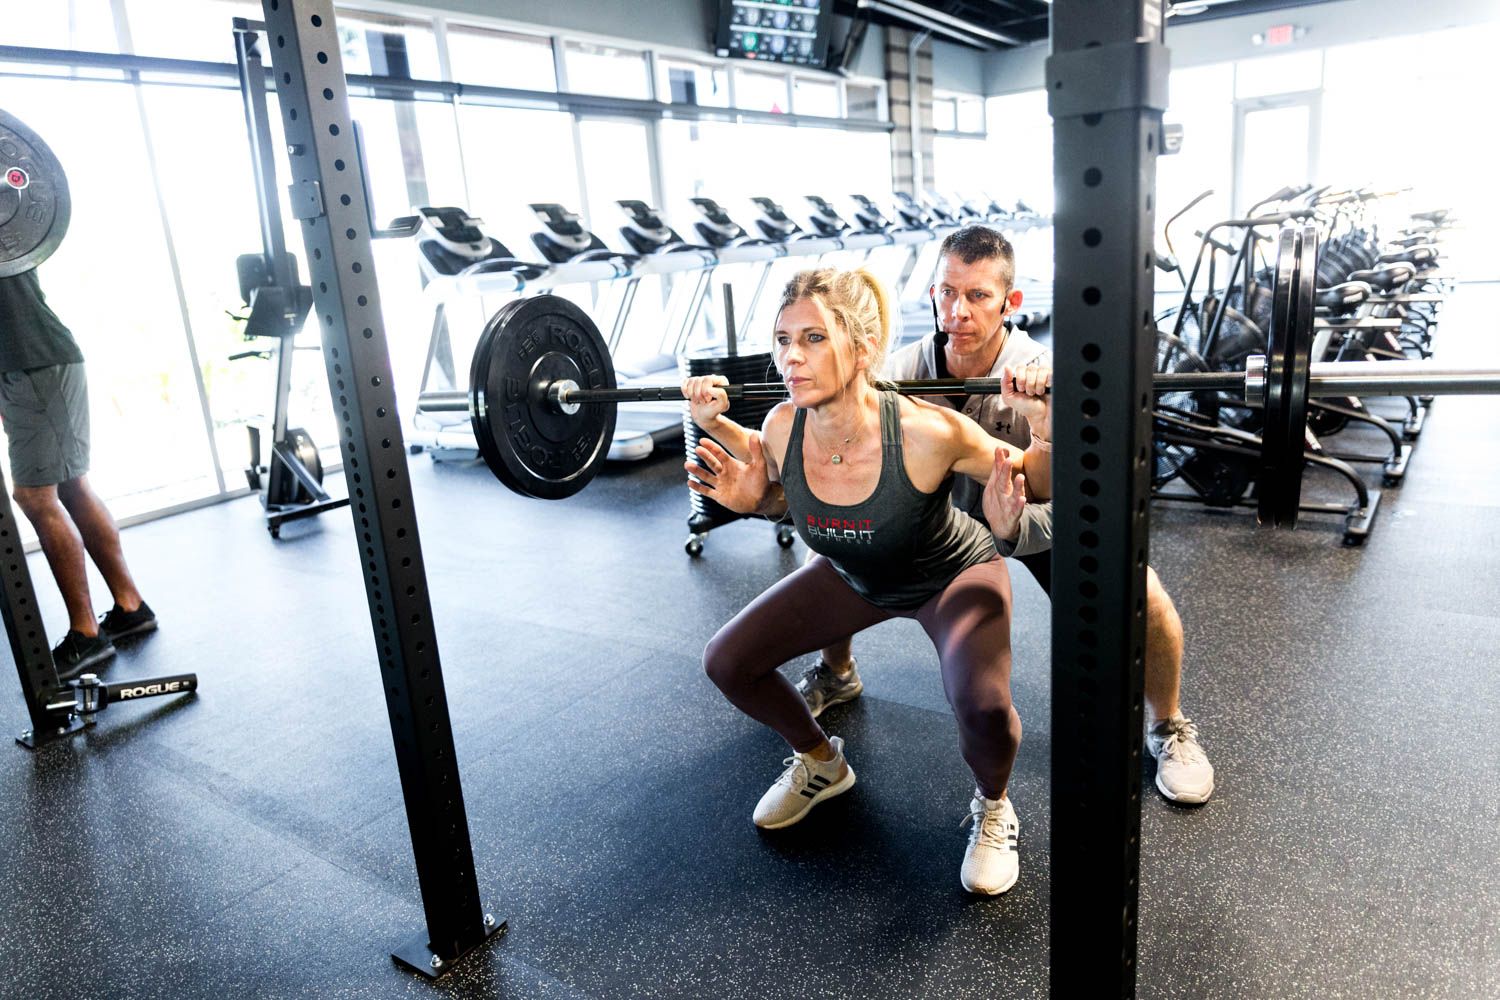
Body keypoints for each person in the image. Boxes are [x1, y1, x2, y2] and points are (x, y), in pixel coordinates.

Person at [687, 226, 1215, 806]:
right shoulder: (901, 369)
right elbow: (819, 474)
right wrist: (760, 492)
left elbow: (1069, 486)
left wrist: (1041, 433)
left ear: (1010, 302)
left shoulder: (1040, 373)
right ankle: (837, 673)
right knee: (834, 547)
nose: (957, 311)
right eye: (946, 293)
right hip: (919, 520)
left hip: (1027, 515)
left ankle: (1168, 726)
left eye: (979, 296)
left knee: (1139, 591)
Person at [683, 266, 1052, 895]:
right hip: (855, 575)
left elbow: (1037, 481)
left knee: (985, 710)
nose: (790, 358)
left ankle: (993, 807)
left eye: (814, 339)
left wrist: (1042, 422)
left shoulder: (925, 432)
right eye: (782, 340)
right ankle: (821, 762)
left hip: (951, 575)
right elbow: (762, 469)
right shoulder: (780, 428)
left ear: (862, 348)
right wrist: (745, 482)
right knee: (727, 661)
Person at [0, 267, 156, 681]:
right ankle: (130, 607)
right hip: (29, 360)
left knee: (36, 496)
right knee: (71, 487)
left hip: (33, 361)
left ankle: (86, 633)